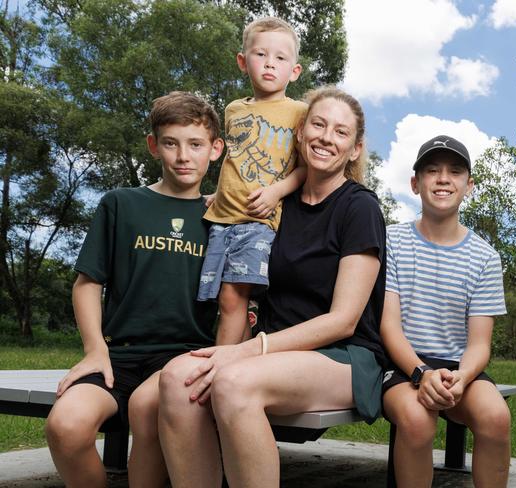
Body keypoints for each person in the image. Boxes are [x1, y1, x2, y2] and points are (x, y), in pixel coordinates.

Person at [158, 86, 386, 487]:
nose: (325, 137)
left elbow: (344, 321)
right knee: (177, 378)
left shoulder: (360, 207)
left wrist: (246, 350)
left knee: (232, 381)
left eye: (340, 132)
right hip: (271, 350)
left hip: (342, 356)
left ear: (354, 149)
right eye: (318, 124)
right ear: (300, 133)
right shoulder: (277, 203)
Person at [45, 91, 224, 488]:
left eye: (195, 145)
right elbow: (87, 283)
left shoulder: (221, 218)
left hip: (181, 361)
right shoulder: (121, 204)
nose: (183, 156)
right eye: (171, 143)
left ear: (215, 149)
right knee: (65, 426)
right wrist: (95, 349)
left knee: (148, 410)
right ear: (153, 146)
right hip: (117, 356)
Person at [381, 135, 511, 487]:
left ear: (468, 186)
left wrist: (462, 378)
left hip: (458, 370)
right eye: (432, 170)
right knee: (417, 419)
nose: (443, 179)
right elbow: (389, 327)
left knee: (496, 416)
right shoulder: (390, 240)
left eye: (455, 171)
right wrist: (421, 374)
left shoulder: (485, 257)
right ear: (415, 183)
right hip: (402, 365)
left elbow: (480, 343)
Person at [198, 16, 307, 346]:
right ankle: (236, 363)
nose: (270, 64)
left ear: (295, 70)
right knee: (226, 301)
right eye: (261, 55)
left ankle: (218, 367)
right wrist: (217, 193)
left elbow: (305, 168)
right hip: (222, 218)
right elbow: (234, 158)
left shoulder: (299, 111)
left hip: (259, 220)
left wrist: (277, 191)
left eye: (280, 58)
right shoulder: (233, 110)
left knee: (234, 296)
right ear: (243, 62)